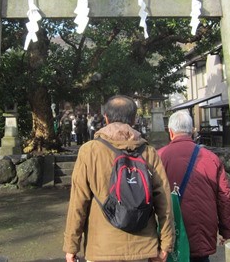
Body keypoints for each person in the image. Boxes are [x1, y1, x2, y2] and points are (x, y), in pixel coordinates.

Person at [63, 95, 174, 262]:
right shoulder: (148, 152)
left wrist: (72, 246)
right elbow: (164, 200)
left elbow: (78, 201)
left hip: (101, 247)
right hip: (143, 247)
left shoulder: (89, 151)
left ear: (106, 118)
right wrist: (166, 244)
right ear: (134, 119)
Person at [158, 110, 230, 262]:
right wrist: (226, 230)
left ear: (170, 132)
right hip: (202, 228)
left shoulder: (159, 157)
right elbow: (225, 197)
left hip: (171, 228)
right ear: (192, 131)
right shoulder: (211, 158)